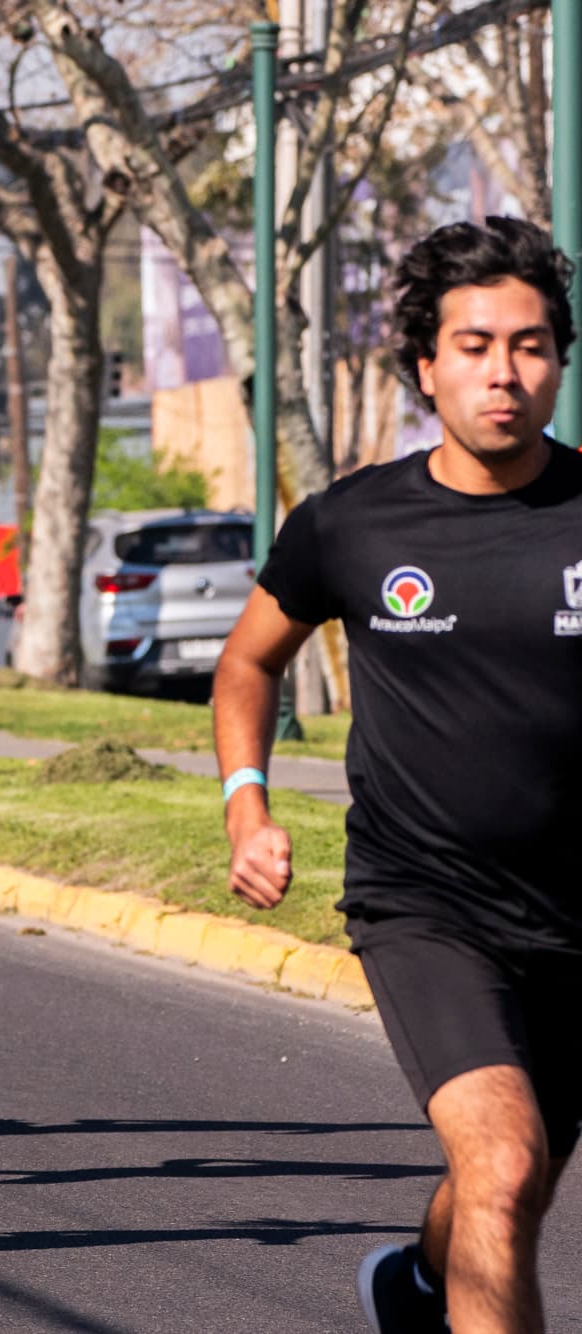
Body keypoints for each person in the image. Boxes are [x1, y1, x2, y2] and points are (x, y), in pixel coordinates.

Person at [215, 218, 582, 1334]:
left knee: (511, 1183)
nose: (503, 372)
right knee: (502, 1161)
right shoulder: (352, 523)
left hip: (575, 913)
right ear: (425, 367)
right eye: (474, 346)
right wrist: (245, 805)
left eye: (529, 346)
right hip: (425, 903)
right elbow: (247, 662)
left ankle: (418, 1286)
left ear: (559, 360)